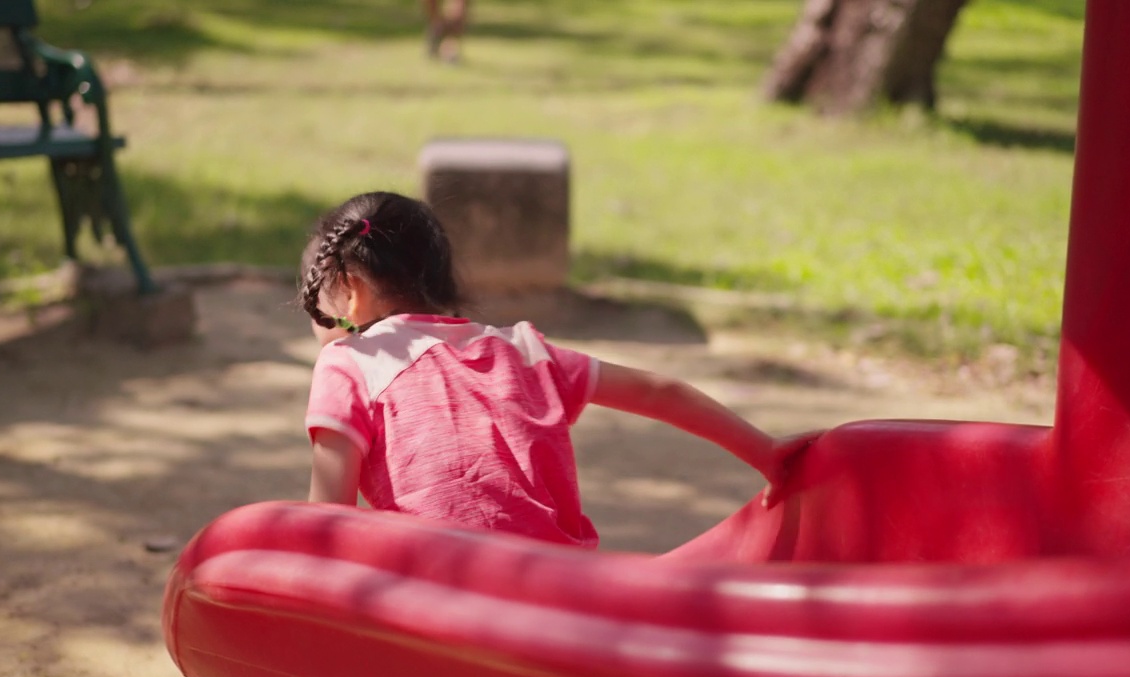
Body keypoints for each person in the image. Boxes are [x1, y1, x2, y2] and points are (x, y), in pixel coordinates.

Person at [300, 191, 819, 548]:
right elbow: (660, 391)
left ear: (349, 288)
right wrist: (766, 452)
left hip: (441, 595)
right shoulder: (525, 352)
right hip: (561, 592)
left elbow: (326, 520)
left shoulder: (349, 362)